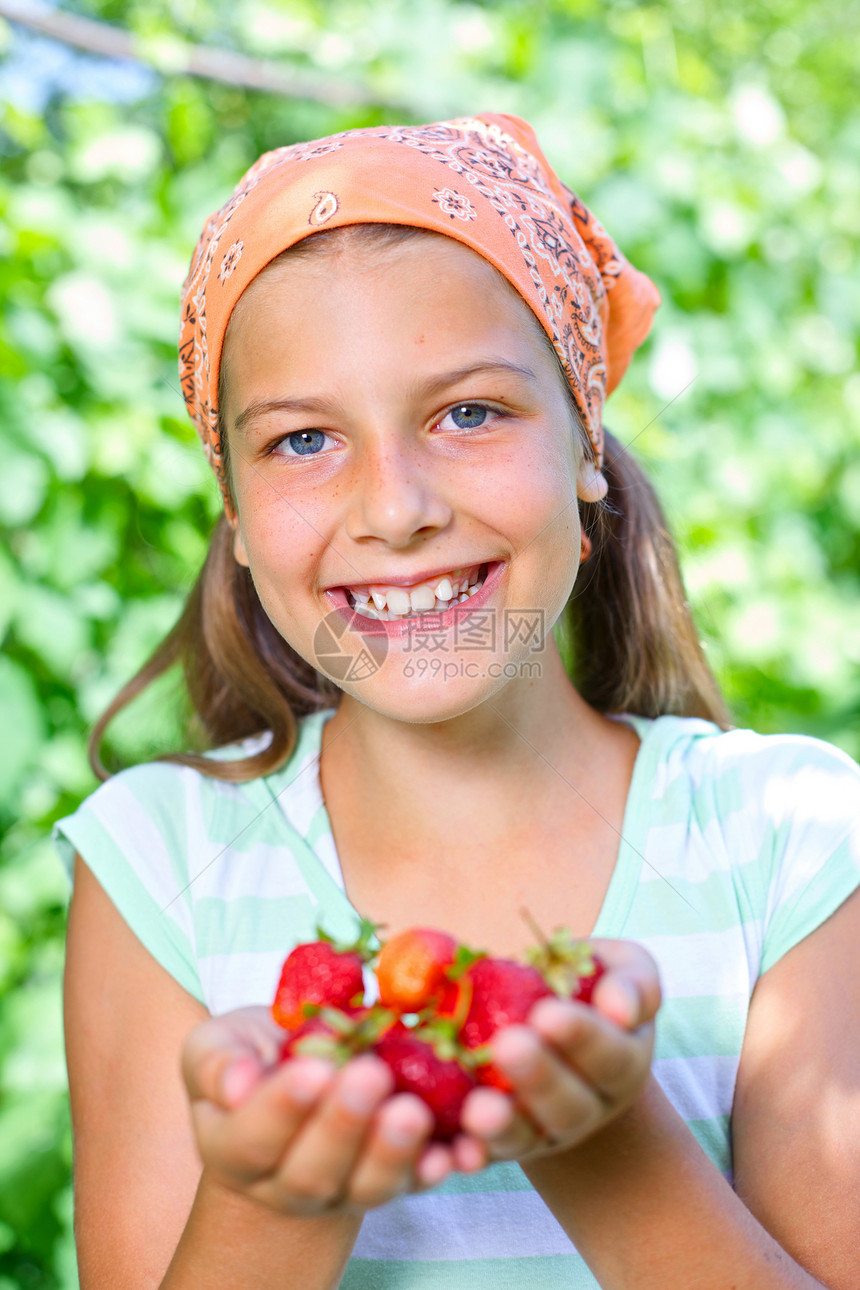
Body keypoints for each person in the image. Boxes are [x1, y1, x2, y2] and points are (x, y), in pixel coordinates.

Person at [56, 114, 860, 1289]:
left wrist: (604, 1146)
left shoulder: (789, 840)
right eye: (302, 439)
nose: (394, 509)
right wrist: (274, 1198)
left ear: (585, 440)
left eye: (467, 414)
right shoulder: (159, 866)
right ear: (232, 511)